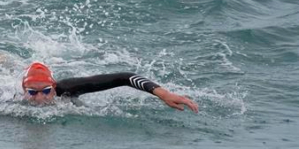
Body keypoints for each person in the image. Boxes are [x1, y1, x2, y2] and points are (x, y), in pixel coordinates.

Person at [20, 61, 199, 113]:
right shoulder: (12, 99)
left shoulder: (67, 87)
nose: (39, 98)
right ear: (23, 91)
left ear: (53, 86)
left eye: (45, 91)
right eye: (32, 92)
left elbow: (124, 77)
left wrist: (163, 94)